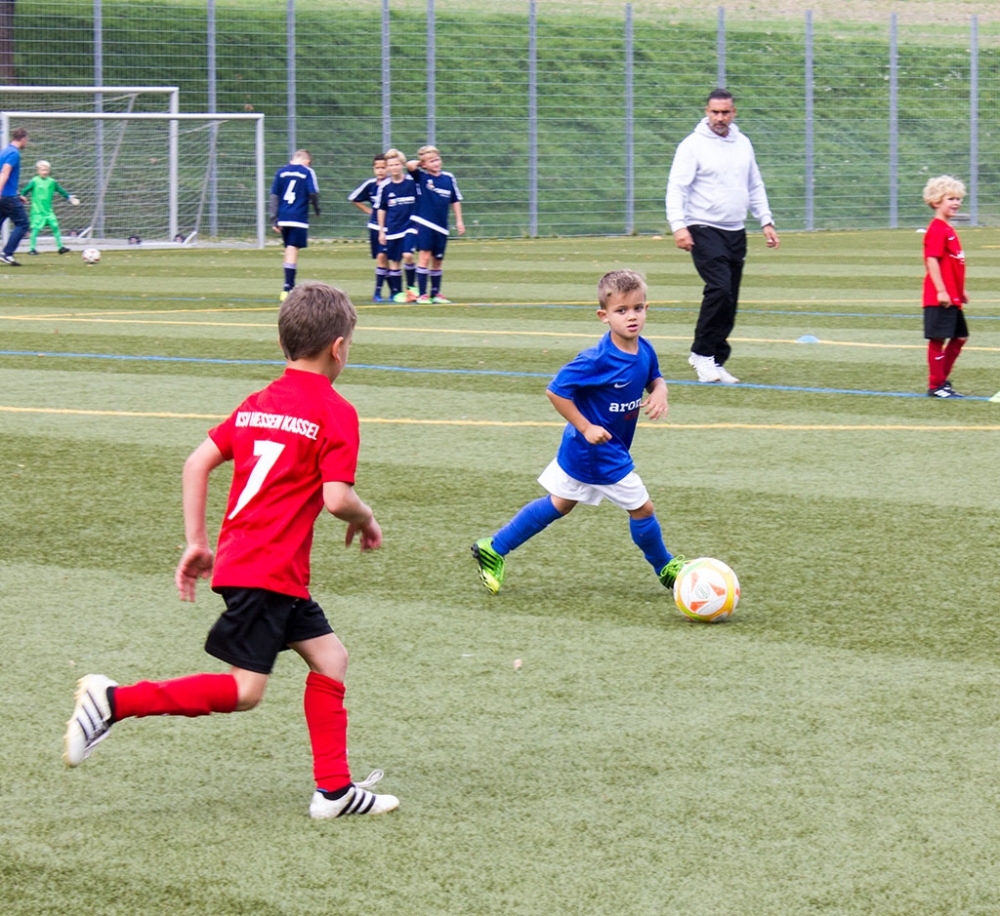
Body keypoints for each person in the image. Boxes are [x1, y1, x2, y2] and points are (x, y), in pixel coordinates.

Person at [64, 282, 400, 820]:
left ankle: (334, 792)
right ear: (338, 348)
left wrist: (198, 542)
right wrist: (367, 518)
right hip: (268, 570)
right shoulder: (335, 411)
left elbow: (196, 462)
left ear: (285, 343)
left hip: (256, 565)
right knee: (246, 691)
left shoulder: (257, 404)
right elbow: (337, 499)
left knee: (331, 658)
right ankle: (112, 702)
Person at [471, 269, 685, 595]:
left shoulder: (644, 349)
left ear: (647, 308)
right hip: (596, 451)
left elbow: (654, 376)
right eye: (621, 310)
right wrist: (586, 427)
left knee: (560, 503)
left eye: (638, 308)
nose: (632, 317)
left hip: (589, 449)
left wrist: (660, 391)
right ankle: (666, 568)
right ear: (604, 316)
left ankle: (494, 547)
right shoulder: (595, 360)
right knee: (642, 509)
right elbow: (556, 391)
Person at [666, 89, 779, 384]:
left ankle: (716, 359)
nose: (720, 118)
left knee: (730, 299)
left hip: (735, 230)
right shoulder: (692, 146)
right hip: (702, 226)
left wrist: (766, 221)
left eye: (725, 112)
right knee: (719, 289)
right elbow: (677, 187)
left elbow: (754, 184)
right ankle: (701, 353)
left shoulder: (743, 143)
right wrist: (678, 225)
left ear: (733, 113)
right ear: (707, 112)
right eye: (715, 112)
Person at [921, 175, 969, 399]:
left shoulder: (948, 229)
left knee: (960, 337)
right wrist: (941, 290)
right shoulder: (937, 229)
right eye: (951, 198)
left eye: (958, 199)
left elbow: (952, 264)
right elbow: (932, 259)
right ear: (936, 201)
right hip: (939, 297)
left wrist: (960, 290)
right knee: (938, 340)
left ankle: (941, 380)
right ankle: (936, 385)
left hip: (953, 296)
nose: (956, 203)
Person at [406, 145, 464, 304]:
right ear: (424, 164)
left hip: (441, 226)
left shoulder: (448, 178)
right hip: (425, 223)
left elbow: (455, 200)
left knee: (438, 260)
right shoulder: (421, 177)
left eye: (437, 159)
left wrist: (459, 220)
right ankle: (422, 294)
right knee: (424, 257)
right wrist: (422, 162)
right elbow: (409, 165)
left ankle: (436, 293)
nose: (436, 163)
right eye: (431, 161)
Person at [269, 150, 320, 302]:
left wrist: (274, 218)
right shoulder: (307, 172)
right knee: (292, 249)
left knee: (288, 248)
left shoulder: (281, 172)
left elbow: (274, 196)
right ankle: (288, 287)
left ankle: (288, 285)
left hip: (284, 216)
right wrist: (316, 209)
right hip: (298, 217)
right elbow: (313, 192)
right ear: (307, 162)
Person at [376, 149, 419, 303]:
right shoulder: (385, 187)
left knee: (408, 255)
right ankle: (398, 292)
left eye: (397, 164)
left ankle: (411, 287)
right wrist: (381, 231)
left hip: (410, 226)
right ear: (387, 167)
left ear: (402, 165)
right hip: (393, 228)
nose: (394, 167)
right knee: (394, 262)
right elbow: (381, 209)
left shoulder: (412, 183)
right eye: (391, 165)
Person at [347, 154, 391, 302]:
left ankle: (391, 291)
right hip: (375, 227)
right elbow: (353, 198)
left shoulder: (393, 184)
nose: (380, 170)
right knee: (382, 258)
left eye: (383, 167)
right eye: (377, 168)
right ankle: (380, 292)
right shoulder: (371, 185)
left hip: (392, 227)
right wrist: (368, 210)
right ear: (373, 169)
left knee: (387, 258)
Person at [21, 159, 79, 255]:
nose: (45, 172)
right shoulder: (35, 181)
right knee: (35, 229)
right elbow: (25, 190)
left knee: (55, 226)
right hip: (37, 211)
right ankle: (32, 249)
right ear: (38, 171)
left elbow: (60, 190)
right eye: (42, 170)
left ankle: (60, 247)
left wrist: (69, 197)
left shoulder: (51, 182)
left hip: (48, 211)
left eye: (46, 170)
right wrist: (21, 197)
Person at [0, 127, 30, 266]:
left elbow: (8, 177)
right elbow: (5, 173)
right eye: (26, 140)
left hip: (7, 196)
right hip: (7, 197)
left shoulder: (4, 151)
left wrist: (18, 194)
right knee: (23, 224)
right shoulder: (14, 153)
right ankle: (7, 253)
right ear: (23, 139)